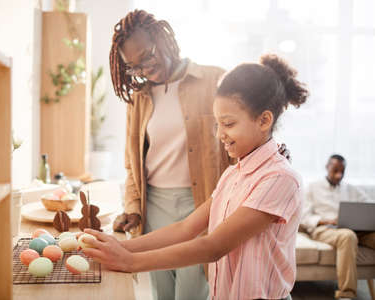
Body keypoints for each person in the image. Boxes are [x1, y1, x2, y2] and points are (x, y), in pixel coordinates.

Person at [85, 53, 308, 300]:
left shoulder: (280, 179)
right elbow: (185, 228)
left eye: (229, 123)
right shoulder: (233, 174)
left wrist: (131, 262)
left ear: (264, 120)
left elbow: (214, 247)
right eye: (217, 125)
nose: (220, 134)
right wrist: (118, 246)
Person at [302, 154, 375, 299]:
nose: (338, 175)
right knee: (347, 236)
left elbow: (369, 206)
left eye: (342, 171)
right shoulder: (312, 187)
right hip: (325, 229)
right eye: (335, 170)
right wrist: (328, 220)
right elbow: (304, 217)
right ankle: (346, 294)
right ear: (327, 167)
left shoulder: (350, 189)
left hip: (355, 230)